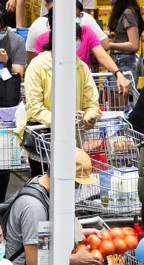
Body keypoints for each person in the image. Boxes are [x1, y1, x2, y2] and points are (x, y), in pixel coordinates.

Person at [1, 162, 102, 265]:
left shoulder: (39, 185)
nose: (76, 188)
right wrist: (73, 260)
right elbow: (34, 261)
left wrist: (74, 233)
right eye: (75, 184)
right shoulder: (34, 208)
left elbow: (43, 237)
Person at [16, 38, 100, 175]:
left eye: (77, 39)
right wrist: (63, 120)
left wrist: (89, 115)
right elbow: (35, 108)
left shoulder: (81, 67)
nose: (75, 42)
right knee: (44, 186)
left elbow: (91, 102)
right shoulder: (37, 65)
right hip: (42, 138)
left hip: (72, 140)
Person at [100, 0, 144, 75]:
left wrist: (109, 45)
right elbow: (123, 33)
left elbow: (134, 45)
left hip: (126, 64)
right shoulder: (120, 9)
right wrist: (107, 35)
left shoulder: (128, 12)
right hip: (118, 61)